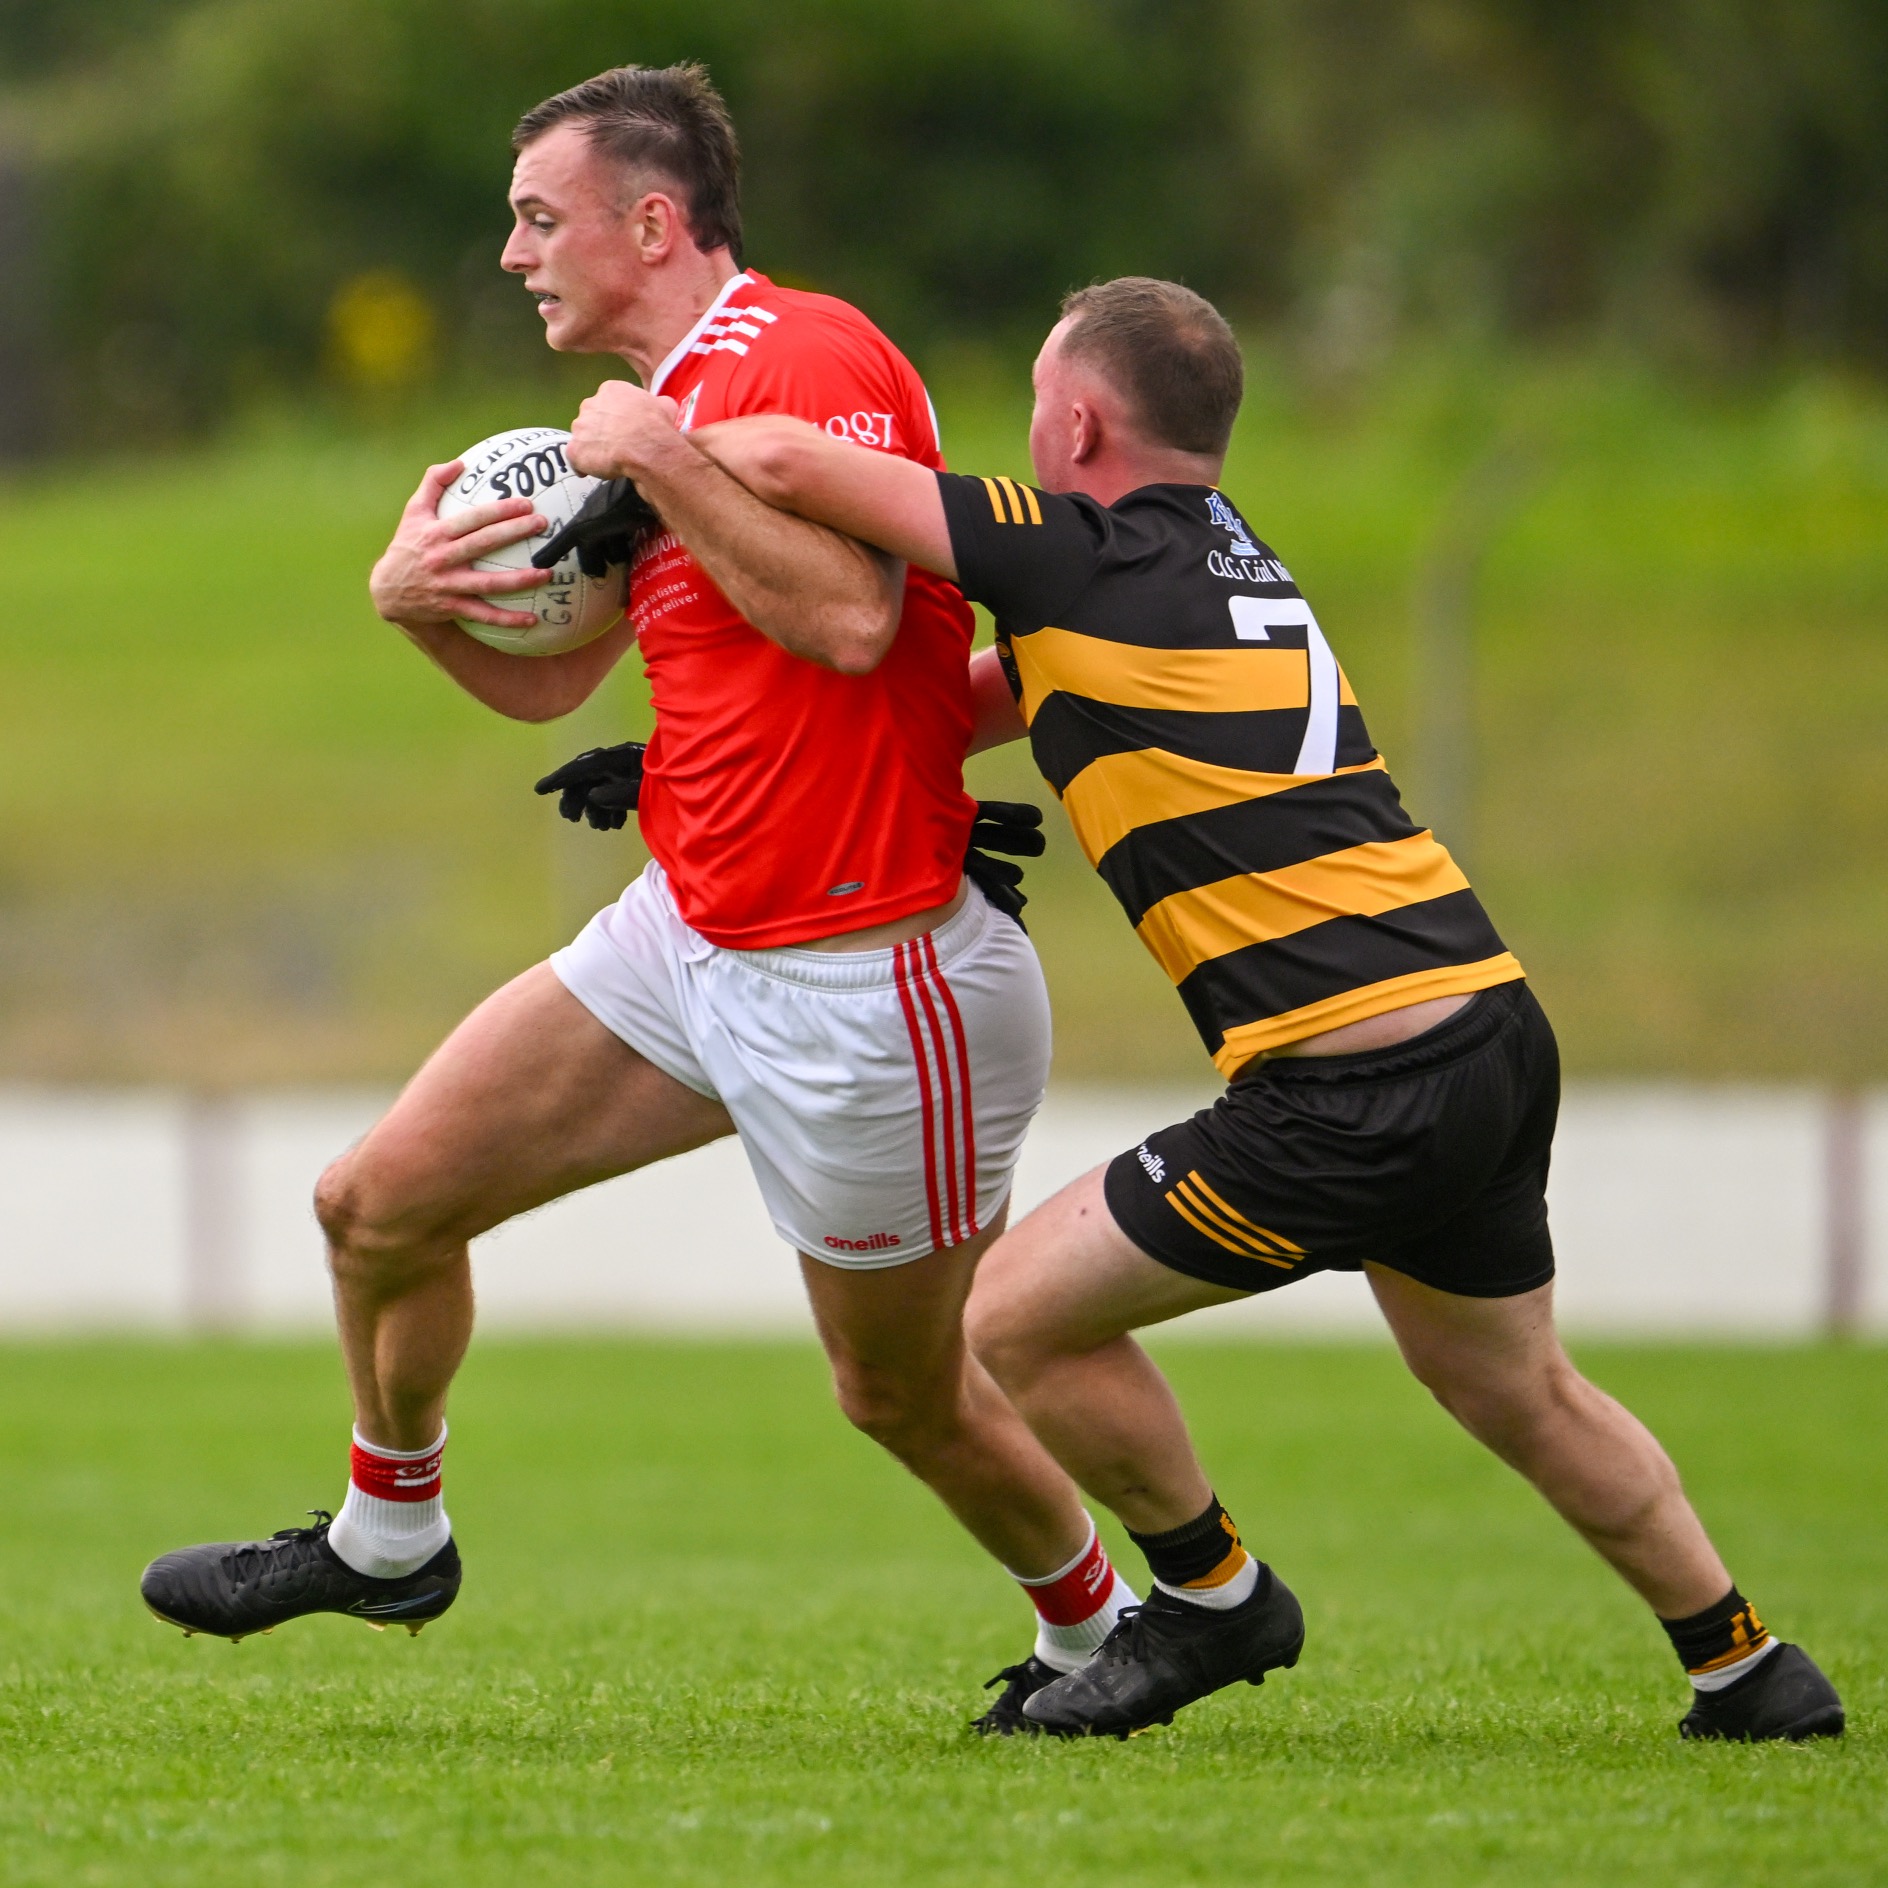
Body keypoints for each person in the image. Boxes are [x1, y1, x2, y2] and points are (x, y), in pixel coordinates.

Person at [665, 275, 1845, 1745]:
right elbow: (931, 721)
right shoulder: (1216, 564)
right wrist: (687, 768)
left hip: (1350, 1083)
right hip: (1485, 1029)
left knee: (1014, 1321)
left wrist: (639, 443)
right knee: (1521, 1390)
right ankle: (1750, 1669)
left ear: (1076, 423)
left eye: (1035, 398)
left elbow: (786, 459)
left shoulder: (1078, 547)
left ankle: (1214, 1598)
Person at [138, 64, 1142, 1708]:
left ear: (654, 223)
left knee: (898, 1395)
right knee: (374, 1206)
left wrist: (664, 460)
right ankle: (391, 1538)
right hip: (690, 938)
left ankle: (1104, 1627)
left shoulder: (801, 353)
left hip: (865, 975)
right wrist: (417, 605)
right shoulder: (647, 413)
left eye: (541, 219)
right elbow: (552, 687)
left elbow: (853, 623)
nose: (515, 253)